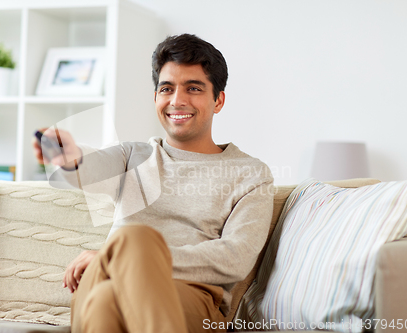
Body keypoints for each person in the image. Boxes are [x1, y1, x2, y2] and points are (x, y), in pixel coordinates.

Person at [33, 33, 274, 333]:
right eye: (167, 89)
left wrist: (122, 256)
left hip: (192, 299)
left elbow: (235, 258)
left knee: (131, 247)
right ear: (156, 98)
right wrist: (69, 157)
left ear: (218, 101)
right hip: (105, 280)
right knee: (113, 278)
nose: (177, 100)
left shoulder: (250, 173)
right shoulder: (132, 156)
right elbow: (86, 167)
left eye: (193, 88)